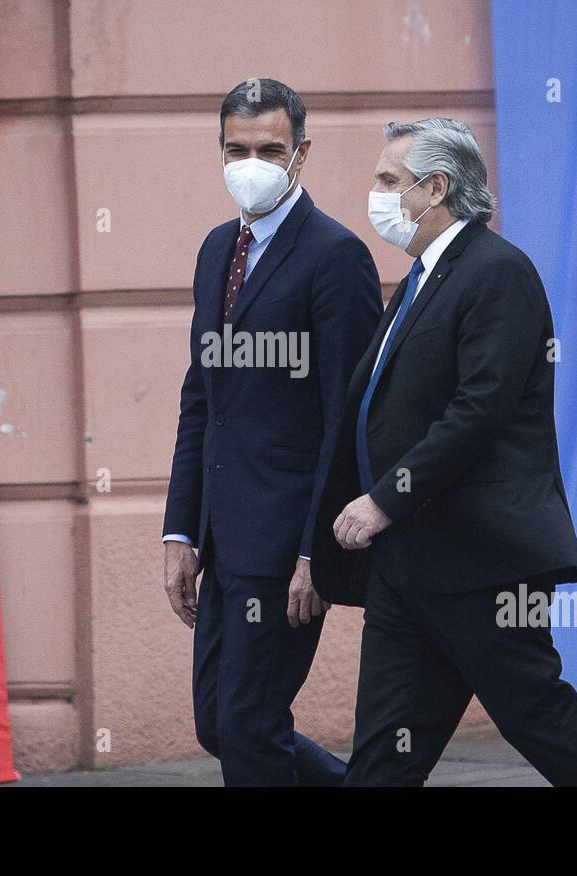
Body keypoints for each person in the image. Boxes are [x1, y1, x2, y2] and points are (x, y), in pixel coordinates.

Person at [311, 117, 577, 787]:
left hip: (482, 565)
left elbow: (478, 411)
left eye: (388, 181)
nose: (375, 194)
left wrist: (383, 500)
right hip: (409, 565)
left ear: (435, 188)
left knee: (538, 719)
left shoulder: (497, 272)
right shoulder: (424, 277)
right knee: (383, 755)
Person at [161, 78, 382, 786]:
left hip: (287, 548)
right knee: (220, 725)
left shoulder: (335, 256)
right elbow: (203, 401)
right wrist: (180, 534)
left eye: (268, 148)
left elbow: (346, 422)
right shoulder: (214, 250)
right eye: (236, 148)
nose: (250, 162)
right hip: (223, 540)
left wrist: (316, 553)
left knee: (250, 729)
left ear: (300, 154)